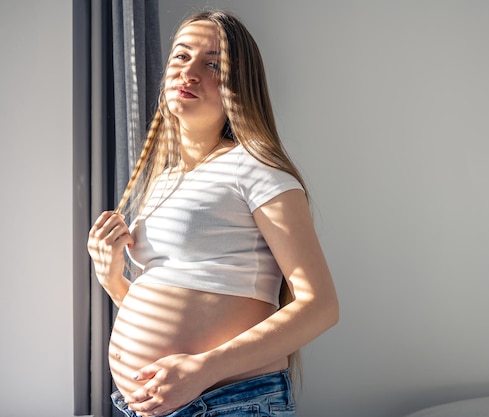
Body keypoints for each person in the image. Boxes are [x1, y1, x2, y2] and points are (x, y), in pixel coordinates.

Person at [87, 9, 339, 417]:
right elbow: (187, 292)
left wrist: (202, 370)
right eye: (181, 57)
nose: (189, 72)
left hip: (226, 403)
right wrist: (114, 280)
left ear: (239, 87)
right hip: (158, 404)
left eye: (212, 64)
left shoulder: (255, 167)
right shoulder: (164, 179)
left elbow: (321, 306)